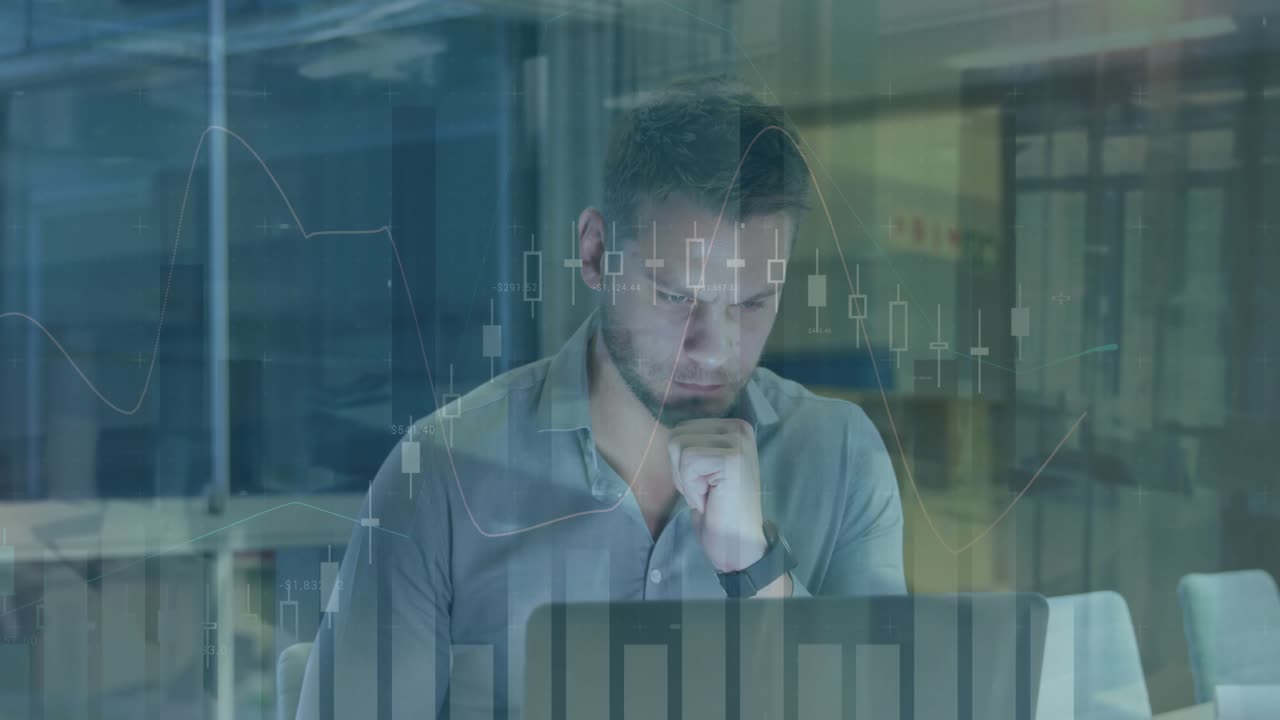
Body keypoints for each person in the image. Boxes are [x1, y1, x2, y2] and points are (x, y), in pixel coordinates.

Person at [295, 75, 905, 719]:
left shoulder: (840, 461)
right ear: (594, 252)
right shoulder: (440, 478)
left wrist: (757, 573)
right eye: (676, 297)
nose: (713, 349)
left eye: (752, 303)